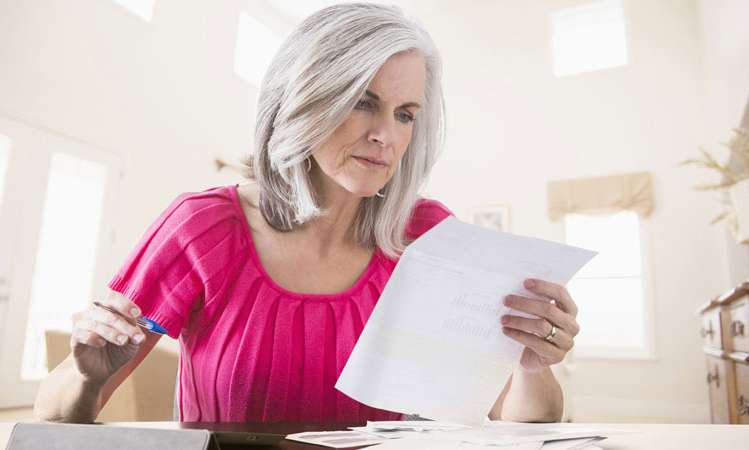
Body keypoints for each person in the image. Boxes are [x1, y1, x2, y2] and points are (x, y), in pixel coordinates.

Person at [34, 2, 579, 424]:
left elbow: (521, 421)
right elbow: (55, 412)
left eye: (405, 113)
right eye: (363, 102)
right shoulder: (201, 229)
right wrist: (87, 380)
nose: (386, 136)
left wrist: (532, 367)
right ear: (303, 99)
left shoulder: (427, 237)